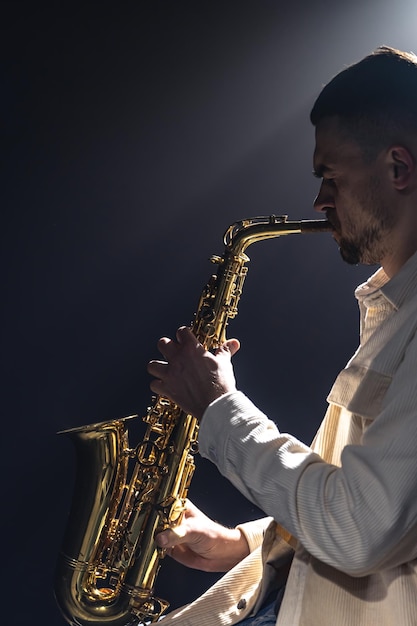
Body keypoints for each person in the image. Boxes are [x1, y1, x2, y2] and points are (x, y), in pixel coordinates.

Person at [147, 46, 417, 625]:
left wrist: (220, 408)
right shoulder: (394, 310)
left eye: (330, 176)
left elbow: (361, 530)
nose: (319, 202)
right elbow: (388, 511)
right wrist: (243, 541)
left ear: (399, 168)